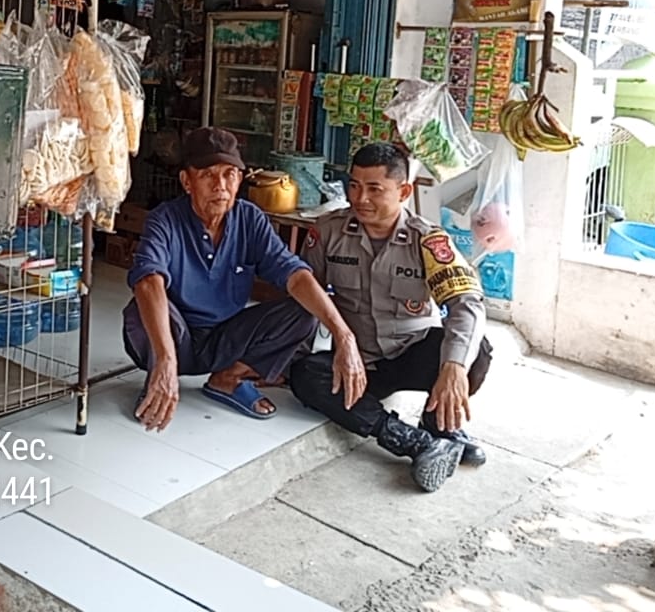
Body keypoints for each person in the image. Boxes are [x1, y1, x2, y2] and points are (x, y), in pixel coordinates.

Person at [124, 127, 367, 431]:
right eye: (208, 175)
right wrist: (165, 359)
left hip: (227, 337)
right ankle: (159, 377)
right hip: (176, 335)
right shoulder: (165, 219)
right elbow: (149, 279)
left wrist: (344, 336)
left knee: (305, 310)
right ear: (187, 182)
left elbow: (294, 274)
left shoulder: (250, 219)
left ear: (240, 180)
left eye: (229, 175)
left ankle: (228, 378)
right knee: (141, 307)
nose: (220, 186)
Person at [289, 142, 494, 493]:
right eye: (354, 186)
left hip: (411, 351)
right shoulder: (327, 231)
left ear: (403, 192)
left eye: (374, 189)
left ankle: (439, 427)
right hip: (358, 363)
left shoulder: (428, 240)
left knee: (476, 352)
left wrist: (454, 367)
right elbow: (305, 294)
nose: (360, 198)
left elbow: (467, 303)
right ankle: (412, 441)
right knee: (305, 376)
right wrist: (287, 355)